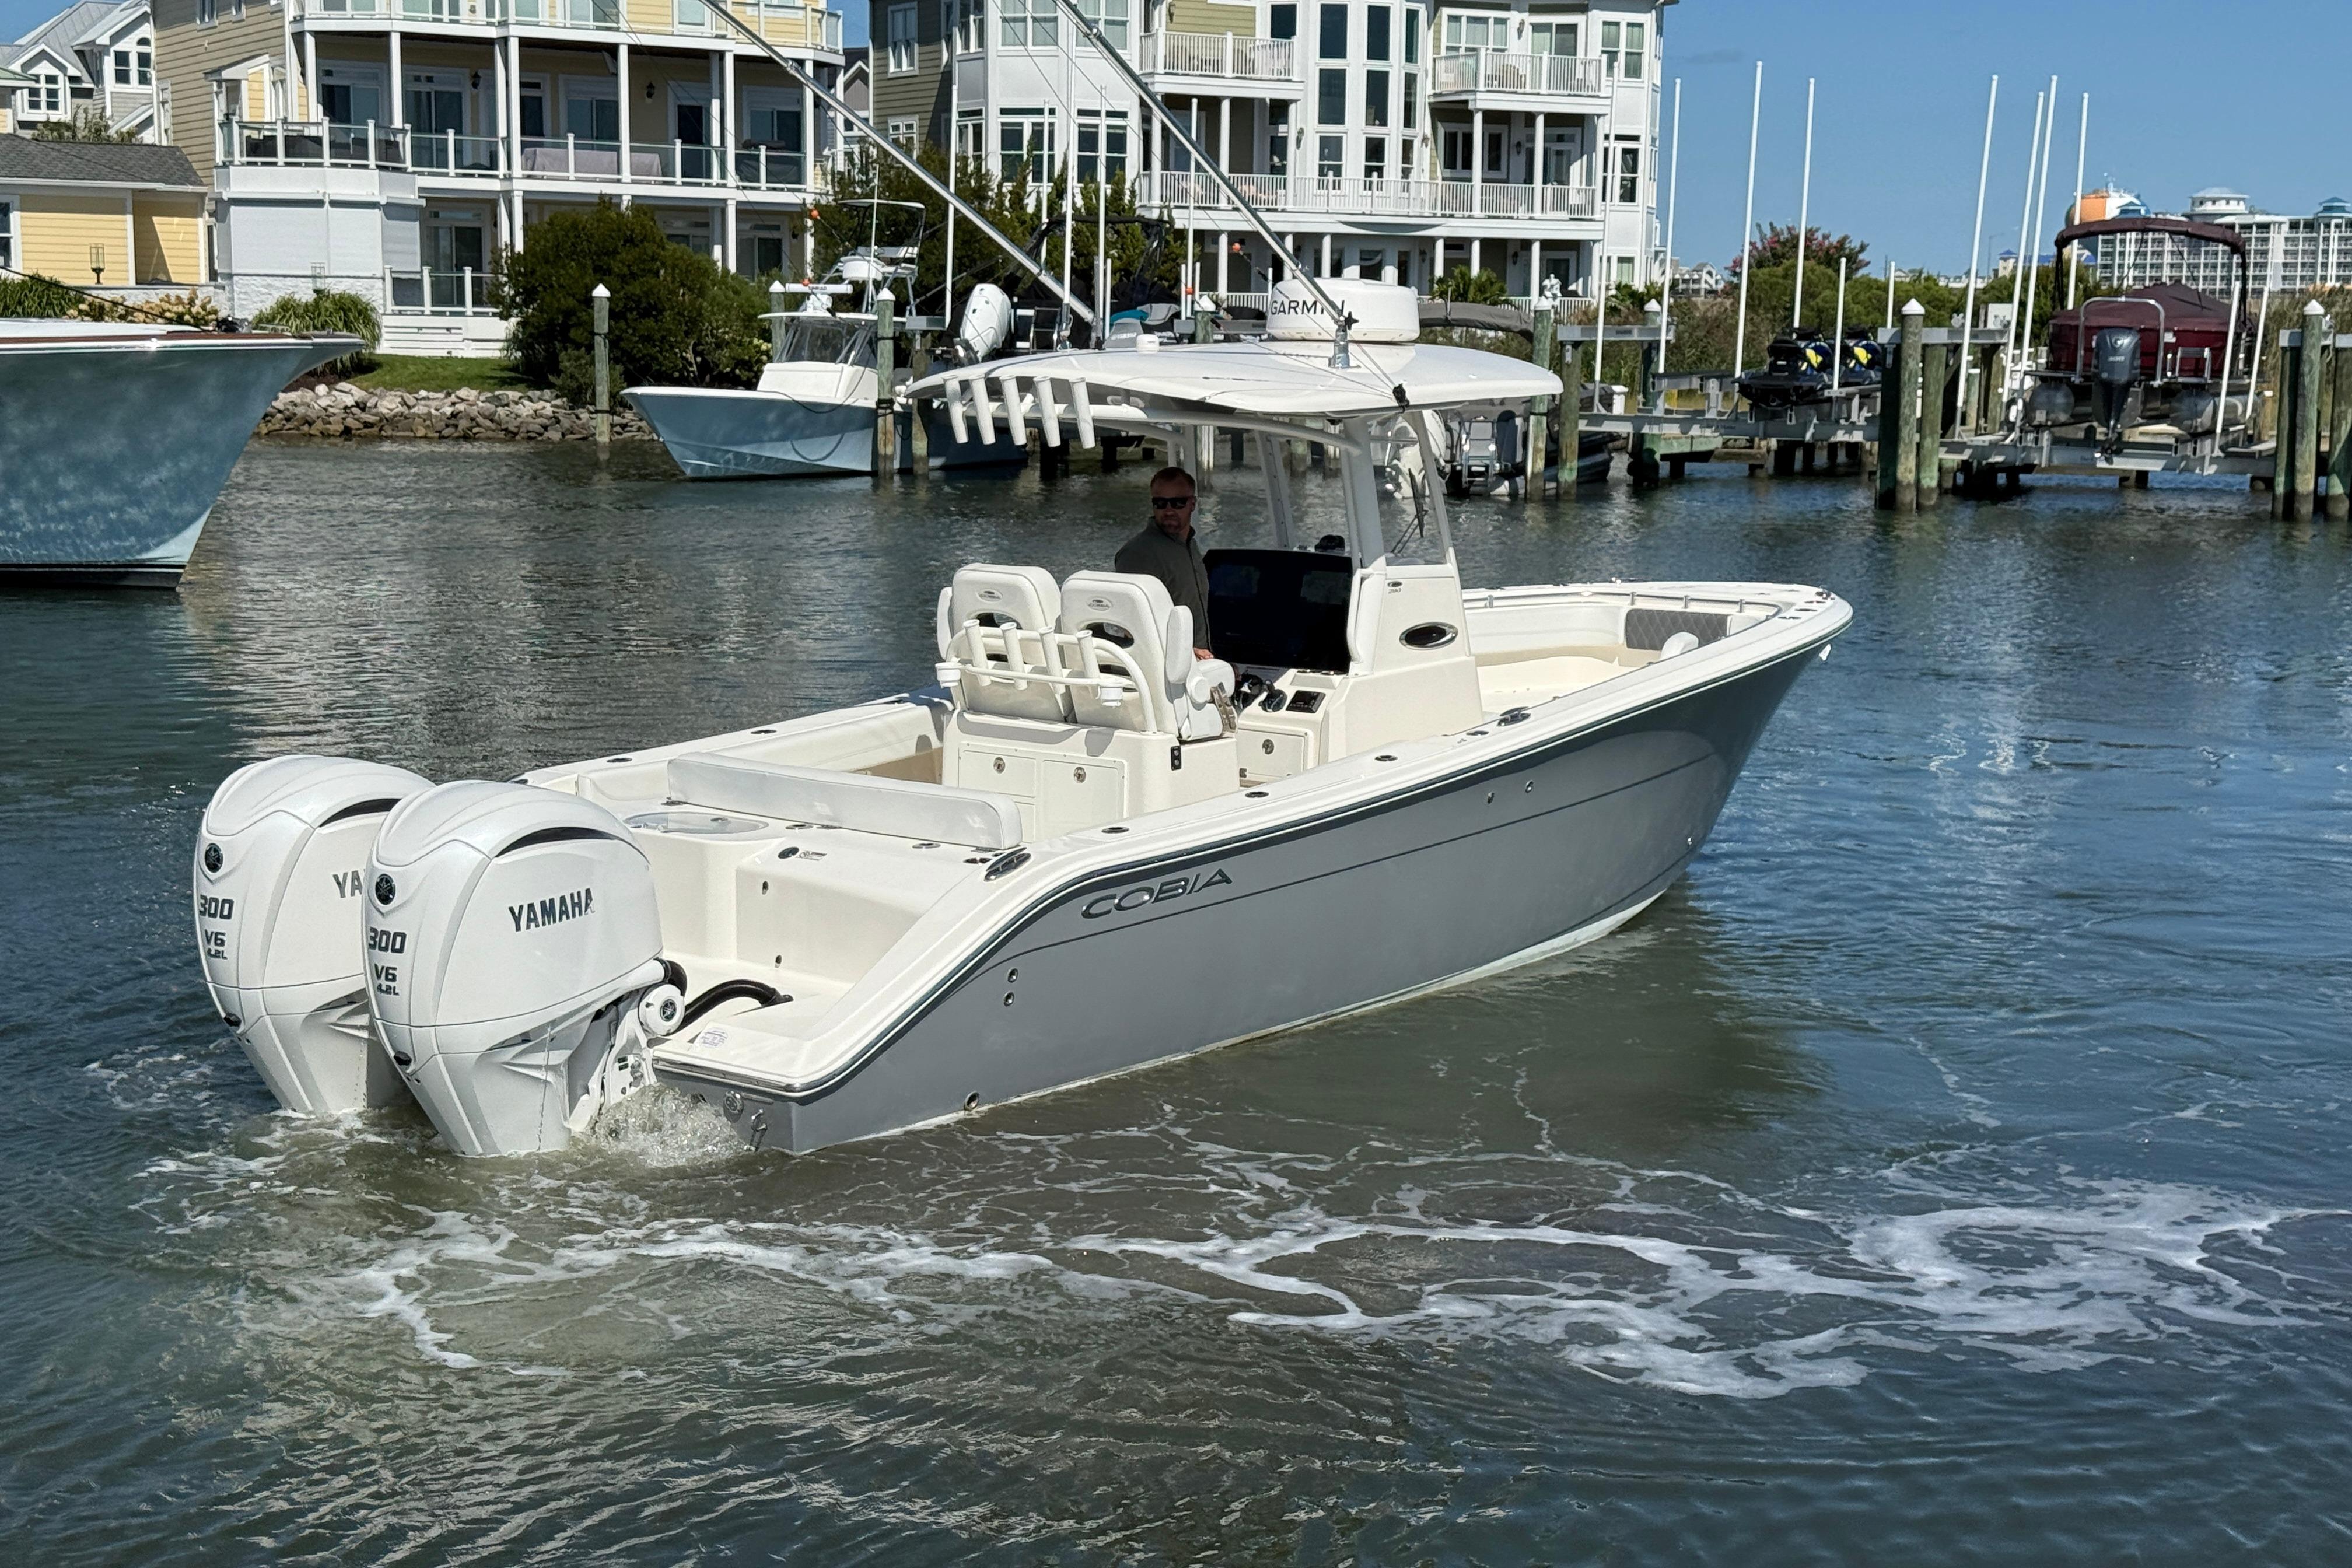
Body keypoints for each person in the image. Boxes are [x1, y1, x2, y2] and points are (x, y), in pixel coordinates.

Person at [1115, 466, 1214, 658]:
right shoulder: (1138, 553)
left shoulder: (1190, 545)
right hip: (1168, 669)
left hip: (1199, 664)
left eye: (1178, 503)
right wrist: (1185, 653)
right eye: (1161, 503)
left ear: (1192, 504)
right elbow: (1130, 626)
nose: (1169, 510)